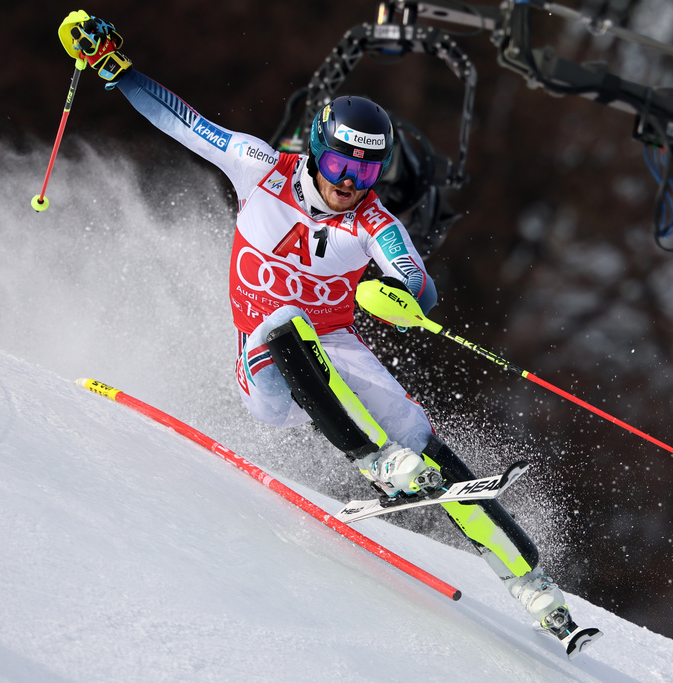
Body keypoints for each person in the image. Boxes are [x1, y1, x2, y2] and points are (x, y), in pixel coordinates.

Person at [59, 12, 598, 656]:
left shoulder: (375, 222)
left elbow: (417, 281)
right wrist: (116, 71)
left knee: (418, 432)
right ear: (318, 148)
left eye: (366, 173)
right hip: (264, 364)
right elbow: (183, 120)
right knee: (287, 321)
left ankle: (538, 592)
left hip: (334, 349)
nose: (349, 183)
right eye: (342, 163)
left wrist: (407, 300)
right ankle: (375, 462)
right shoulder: (259, 167)